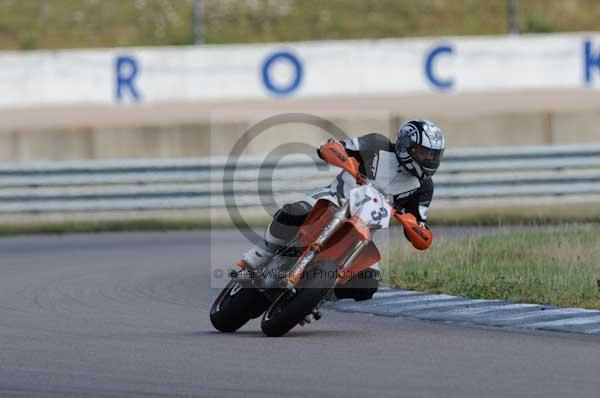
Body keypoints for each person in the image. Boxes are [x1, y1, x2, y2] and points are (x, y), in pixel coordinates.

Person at [238, 119, 446, 301]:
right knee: (293, 212)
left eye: (433, 154)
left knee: (367, 284)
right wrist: (336, 153)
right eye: (424, 152)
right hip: (332, 201)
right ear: (406, 146)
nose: (429, 159)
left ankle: (320, 296)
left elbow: (421, 228)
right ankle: (260, 255)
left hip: (359, 231)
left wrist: (413, 228)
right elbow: (335, 146)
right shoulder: (377, 145)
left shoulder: (423, 187)